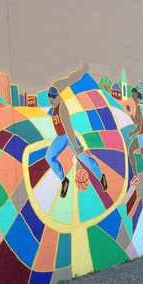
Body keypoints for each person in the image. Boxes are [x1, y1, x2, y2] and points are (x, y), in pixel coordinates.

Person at [46, 63, 107, 197]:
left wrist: (75, 145)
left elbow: (68, 128)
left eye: (53, 98)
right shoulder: (56, 88)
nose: (51, 100)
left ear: (58, 96)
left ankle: (100, 176)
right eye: (49, 98)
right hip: (61, 137)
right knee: (49, 157)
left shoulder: (62, 108)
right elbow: (70, 78)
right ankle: (64, 180)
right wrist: (80, 71)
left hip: (68, 136)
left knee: (83, 158)